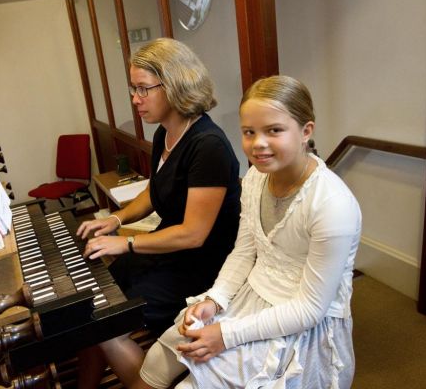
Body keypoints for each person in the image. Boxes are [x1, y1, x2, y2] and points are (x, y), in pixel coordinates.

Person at [133, 75, 362, 389]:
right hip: (250, 298)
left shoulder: (332, 205)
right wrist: (214, 300)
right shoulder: (255, 177)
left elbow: (310, 308)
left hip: (301, 325)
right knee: (159, 359)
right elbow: (244, 250)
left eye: (274, 131)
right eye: (249, 132)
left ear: (306, 131)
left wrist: (226, 335)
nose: (258, 144)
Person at [75, 38, 241, 388]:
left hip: (198, 267)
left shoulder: (207, 145)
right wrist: (116, 220)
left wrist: (127, 244)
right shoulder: (165, 132)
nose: (135, 99)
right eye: (133, 89)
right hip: (166, 252)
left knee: (104, 320)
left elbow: (194, 234)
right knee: (92, 300)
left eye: (143, 89)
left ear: (176, 83)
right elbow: (154, 190)